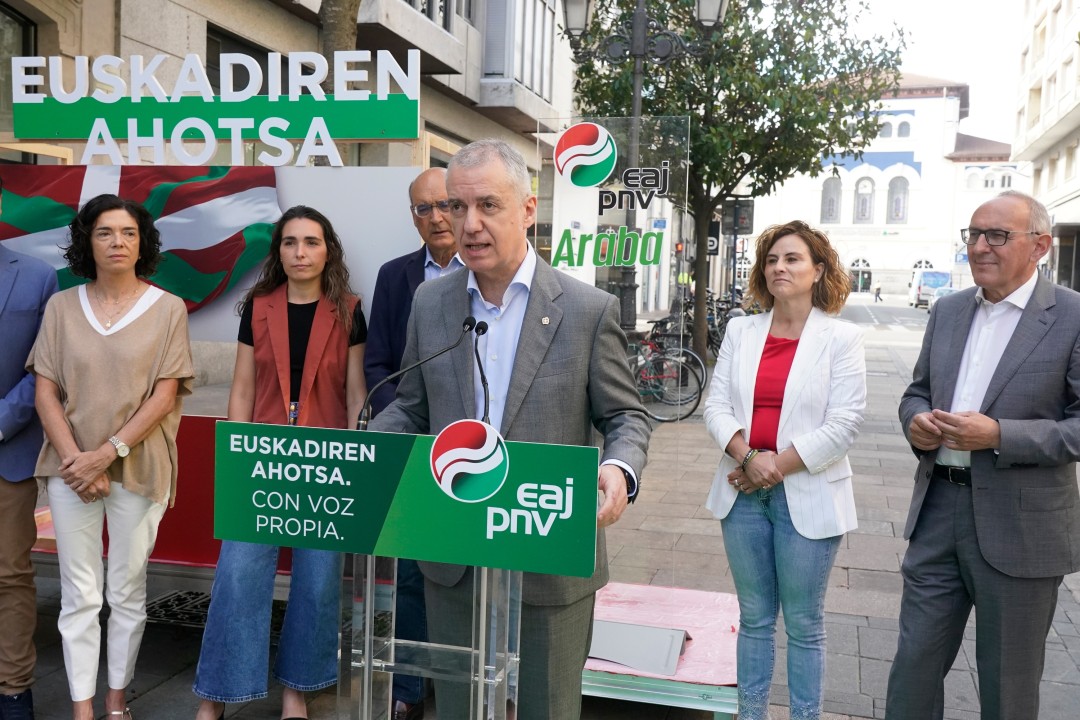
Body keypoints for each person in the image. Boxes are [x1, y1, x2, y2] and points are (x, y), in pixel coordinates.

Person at [370, 139, 651, 720]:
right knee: (458, 707)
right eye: (457, 206)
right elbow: (413, 407)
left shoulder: (587, 309)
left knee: (548, 708)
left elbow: (625, 416)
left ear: (527, 209)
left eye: (488, 205)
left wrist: (619, 468)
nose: (468, 224)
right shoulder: (430, 302)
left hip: (548, 549)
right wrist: (367, 451)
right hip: (453, 548)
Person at [885, 190, 1080, 720]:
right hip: (937, 515)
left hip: (1023, 527)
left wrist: (999, 435)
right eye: (973, 234)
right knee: (913, 671)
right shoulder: (948, 311)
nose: (979, 247)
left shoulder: (1071, 316)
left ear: (1039, 246)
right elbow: (916, 392)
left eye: (997, 235)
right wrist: (916, 422)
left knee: (1007, 686)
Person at [192, 206, 367, 720]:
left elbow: (355, 393)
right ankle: (216, 694)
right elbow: (243, 388)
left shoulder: (349, 310)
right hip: (263, 460)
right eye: (290, 242)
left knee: (317, 582)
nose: (300, 252)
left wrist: (359, 458)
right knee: (238, 576)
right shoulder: (259, 307)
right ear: (279, 252)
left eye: (311, 242)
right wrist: (238, 456)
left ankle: (298, 691)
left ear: (328, 251)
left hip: (327, 463)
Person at [27, 195, 194, 720]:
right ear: (87, 242)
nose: (117, 242)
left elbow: (164, 395)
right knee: (78, 594)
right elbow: (45, 392)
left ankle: (117, 702)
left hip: (138, 467)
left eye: (128, 232)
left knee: (125, 590)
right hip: (70, 469)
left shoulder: (167, 308)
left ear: (142, 243)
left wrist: (106, 455)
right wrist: (79, 460)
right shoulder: (61, 307)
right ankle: (82, 708)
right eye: (104, 232)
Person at [703, 220, 866, 720]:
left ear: (818, 270)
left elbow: (844, 424)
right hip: (742, 496)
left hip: (808, 495)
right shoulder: (741, 330)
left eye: (792, 258)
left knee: (803, 623)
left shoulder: (841, 337)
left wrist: (771, 466)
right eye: (772, 259)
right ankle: (751, 715)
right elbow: (716, 407)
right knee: (753, 618)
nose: (779, 267)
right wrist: (748, 458)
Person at [364, 167, 463, 720]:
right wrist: (399, 424)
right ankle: (407, 691)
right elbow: (379, 362)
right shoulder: (395, 276)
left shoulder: (485, 270)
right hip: (412, 447)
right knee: (407, 575)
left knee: (475, 572)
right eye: (424, 208)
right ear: (413, 217)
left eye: (445, 204)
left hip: (474, 453)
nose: (437, 217)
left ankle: (464, 688)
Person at [0, 175, 59, 720]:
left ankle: (12, 690)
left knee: (9, 576)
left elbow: (45, 366)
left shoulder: (38, 276)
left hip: (7, 451)